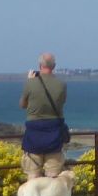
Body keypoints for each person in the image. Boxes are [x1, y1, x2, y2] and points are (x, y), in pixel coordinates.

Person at [18, 52, 68, 180]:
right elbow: (61, 103)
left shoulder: (30, 83)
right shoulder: (61, 85)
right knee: (53, 177)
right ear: (54, 66)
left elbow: (22, 104)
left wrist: (30, 81)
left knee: (33, 176)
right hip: (54, 133)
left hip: (34, 134)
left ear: (40, 65)